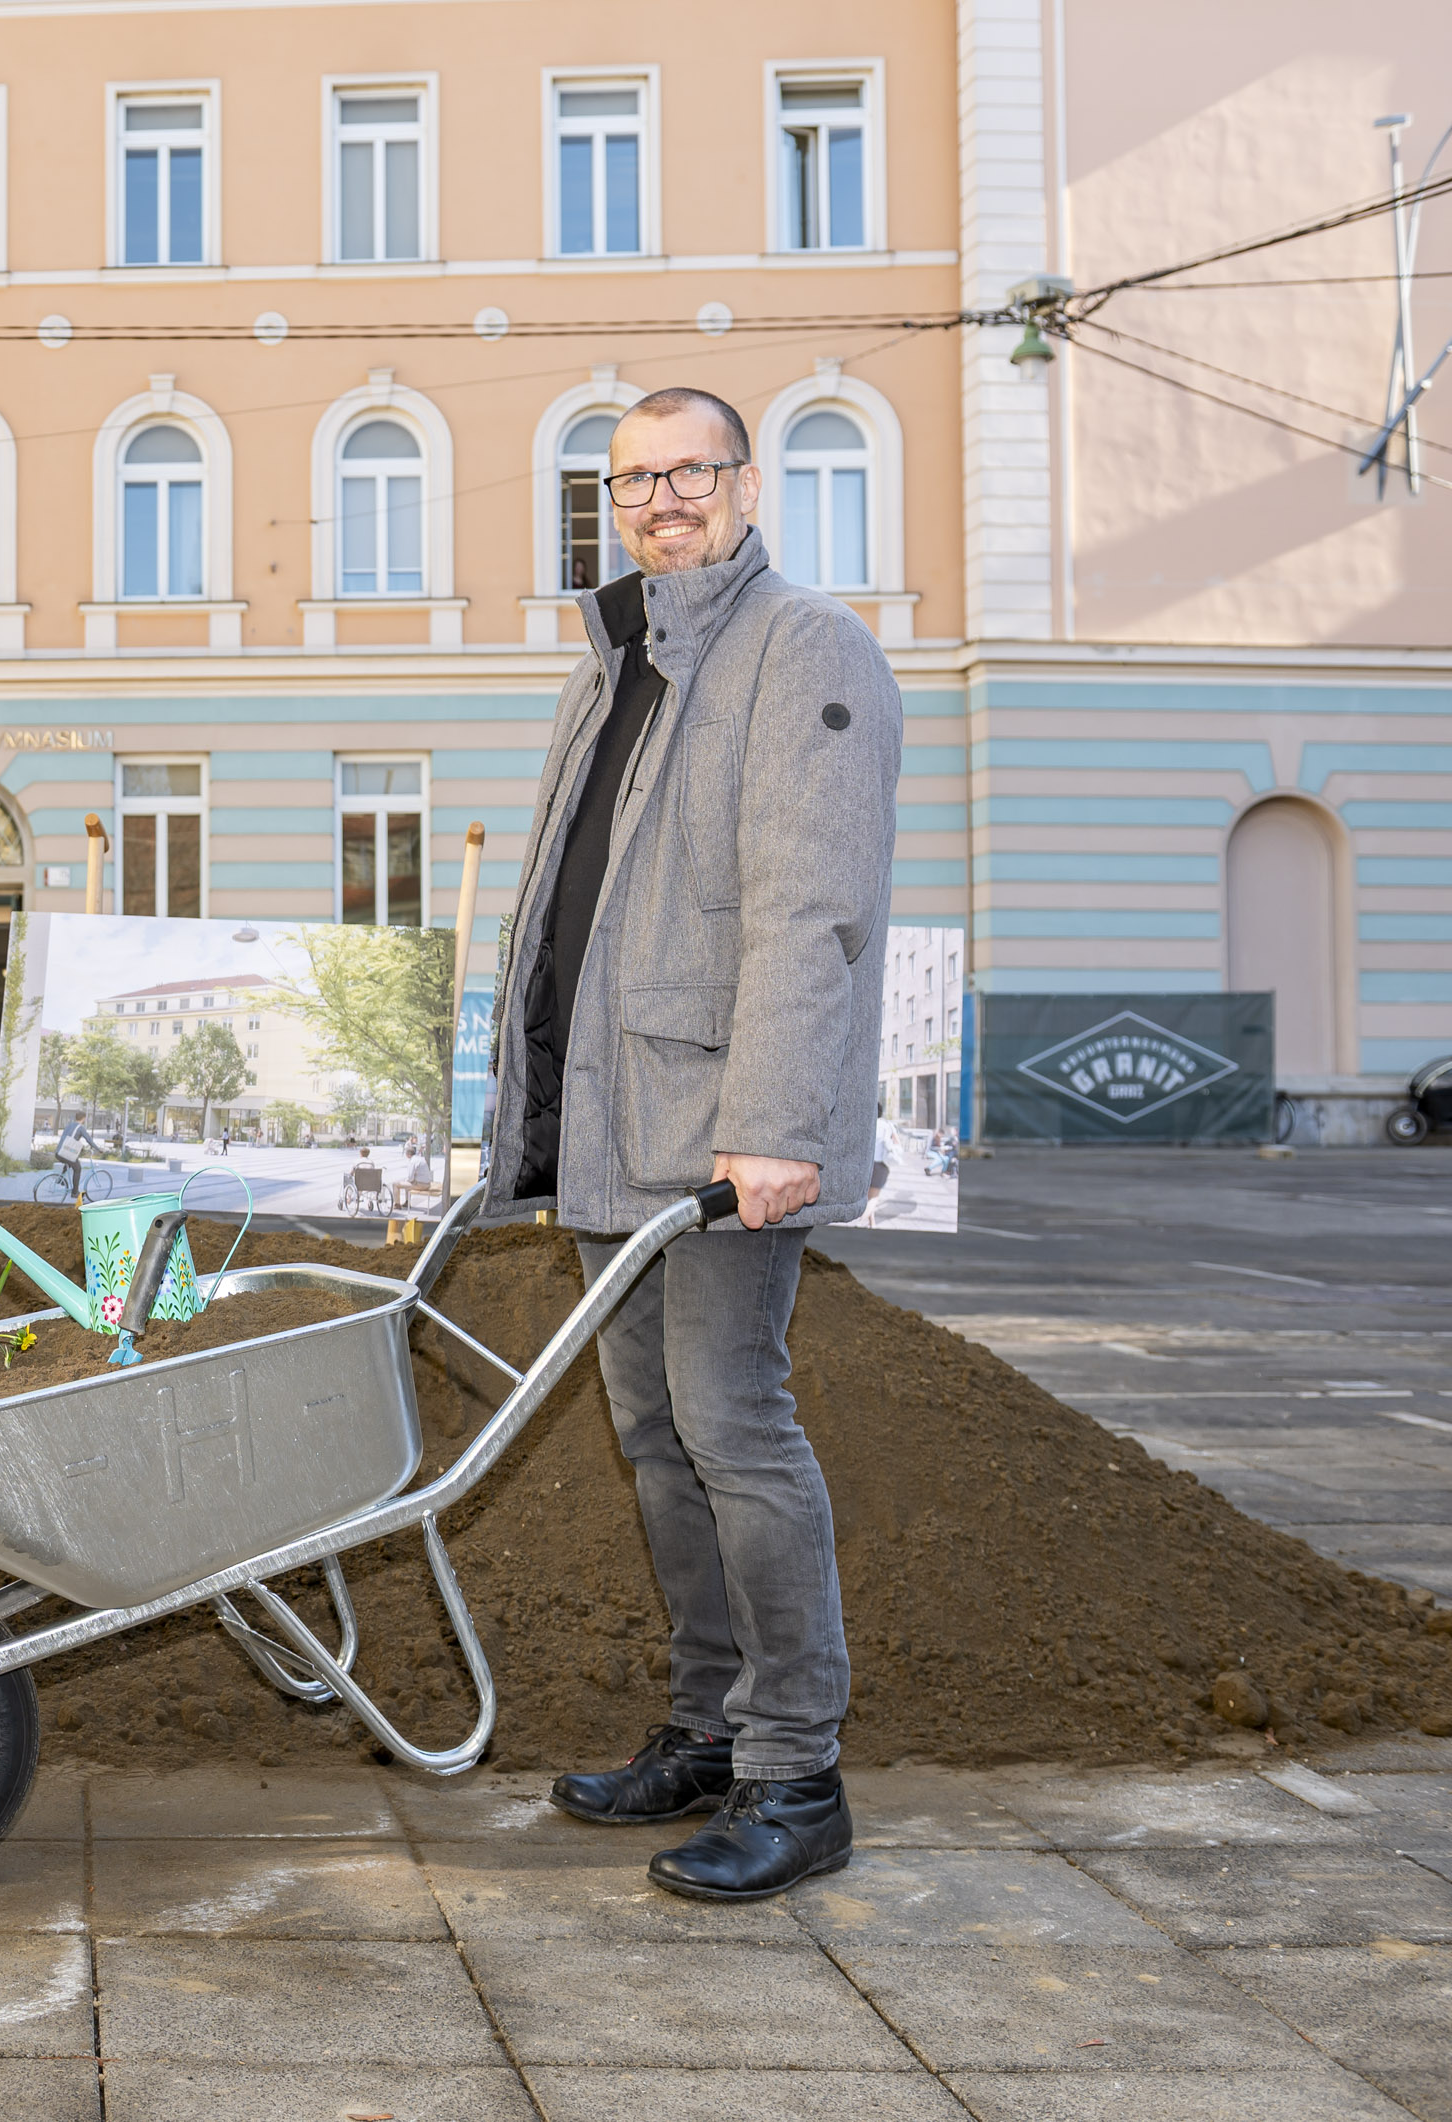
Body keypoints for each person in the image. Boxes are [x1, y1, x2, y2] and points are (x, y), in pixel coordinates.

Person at [482, 384, 899, 1901]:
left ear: (742, 482)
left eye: (686, 472)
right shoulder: (621, 661)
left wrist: (778, 1128)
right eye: (631, 478)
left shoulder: (805, 650)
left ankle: (800, 1774)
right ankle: (711, 1734)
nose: (660, 500)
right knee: (657, 1441)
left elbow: (814, 908)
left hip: (726, 1132)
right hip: (617, 1119)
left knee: (736, 1429)